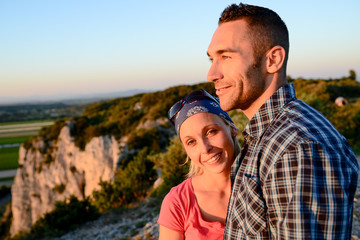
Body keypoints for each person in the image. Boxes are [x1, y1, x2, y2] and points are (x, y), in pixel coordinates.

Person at [206, 3, 359, 239]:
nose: (212, 74)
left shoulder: (298, 148)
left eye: (226, 56)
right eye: (212, 59)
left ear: (273, 60)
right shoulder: (268, 135)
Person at [157, 89, 241, 240]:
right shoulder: (178, 202)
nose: (205, 148)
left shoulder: (264, 178)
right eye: (191, 142)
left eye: (211, 131)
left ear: (232, 128)